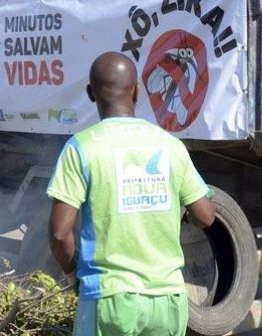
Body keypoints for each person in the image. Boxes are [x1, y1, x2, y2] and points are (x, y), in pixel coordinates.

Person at [46, 51, 216, 336]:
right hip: (168, 301)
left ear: (91, 93)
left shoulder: (81, 148)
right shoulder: (170, 146)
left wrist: (74, 275)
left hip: (109, 299)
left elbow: (60, 233)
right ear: (136, 91)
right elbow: (206, 216)